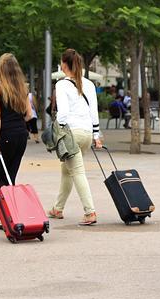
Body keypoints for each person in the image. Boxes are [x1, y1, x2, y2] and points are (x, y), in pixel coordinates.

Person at [48, 48, 102, 226]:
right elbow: (93, 111)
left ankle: (90, 212)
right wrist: (96, 134)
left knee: (77, 172)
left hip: (71, 133)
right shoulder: (89, 84)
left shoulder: (62, 84)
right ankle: (58, 208)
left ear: (64, 64)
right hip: (86, 133)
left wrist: (59, 127)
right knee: (67, 171)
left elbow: (62, 112)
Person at [0, 53, 32, 194]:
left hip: (4, 135)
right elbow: (29, 115)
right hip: (21, 135)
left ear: (0, 69)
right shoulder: (23, 88)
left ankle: (7, 207)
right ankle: (14, 209)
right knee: (9, 177)